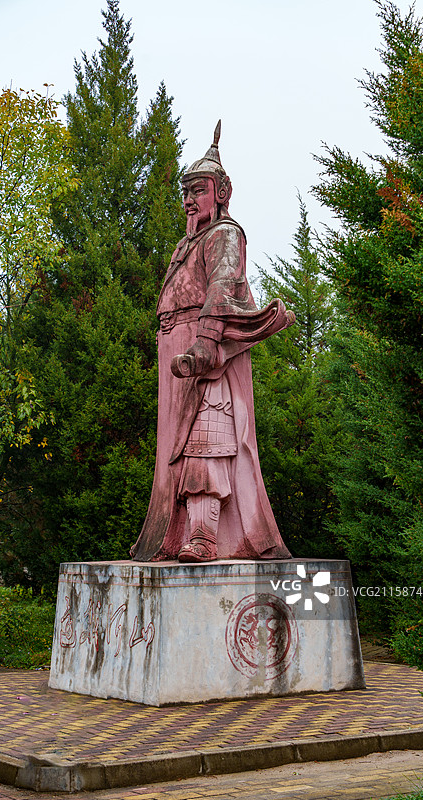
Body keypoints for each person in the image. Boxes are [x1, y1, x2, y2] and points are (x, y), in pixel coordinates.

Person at [130, 122, 293, 563]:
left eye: (197, 189)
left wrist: (204, 342)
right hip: (176, 352)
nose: (188, 199)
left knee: (208, 438)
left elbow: (223, 284)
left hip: (209, 352)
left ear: (220, 191)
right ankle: (173, 532)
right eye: (185, 191)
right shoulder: (186, 244)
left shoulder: (225, 234)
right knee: (177, 449)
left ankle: (203, 535)